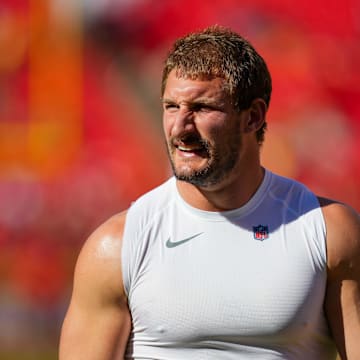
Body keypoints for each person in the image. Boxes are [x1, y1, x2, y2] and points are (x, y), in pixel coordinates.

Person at [59, 25, 360, 359]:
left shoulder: (328, 232)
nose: (180, 127)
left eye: (201, 108)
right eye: (171, 106)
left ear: (253, 117)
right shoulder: (116, 246)